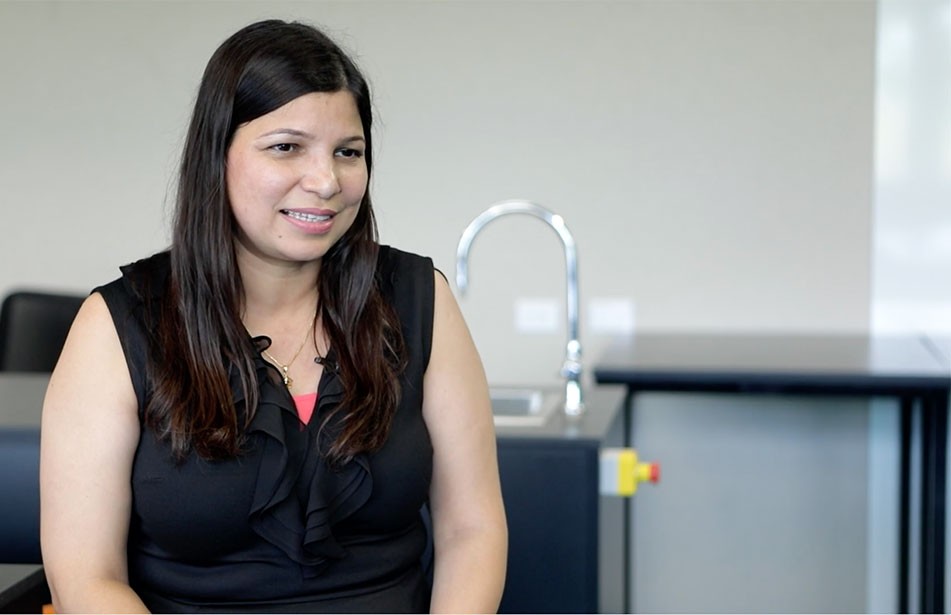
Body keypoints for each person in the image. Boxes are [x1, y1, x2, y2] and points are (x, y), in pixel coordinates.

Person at [39, 19, 507, 614]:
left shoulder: (419, 299)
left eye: (348, 152)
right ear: (218, 156)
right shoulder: (117, 324)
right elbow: (85, 579)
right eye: (286, 147)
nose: (326, 181)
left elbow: (473, 530)